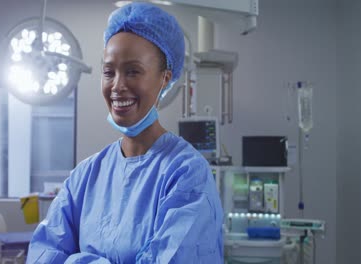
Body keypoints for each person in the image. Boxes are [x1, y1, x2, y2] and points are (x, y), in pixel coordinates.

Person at [26, 2, 224, 263]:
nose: (117, 86)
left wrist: (75, 260)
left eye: (133, 71)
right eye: (109, 72)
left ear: (164, 78)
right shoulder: (86, 176)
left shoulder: (186, 174)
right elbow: (43, 254)